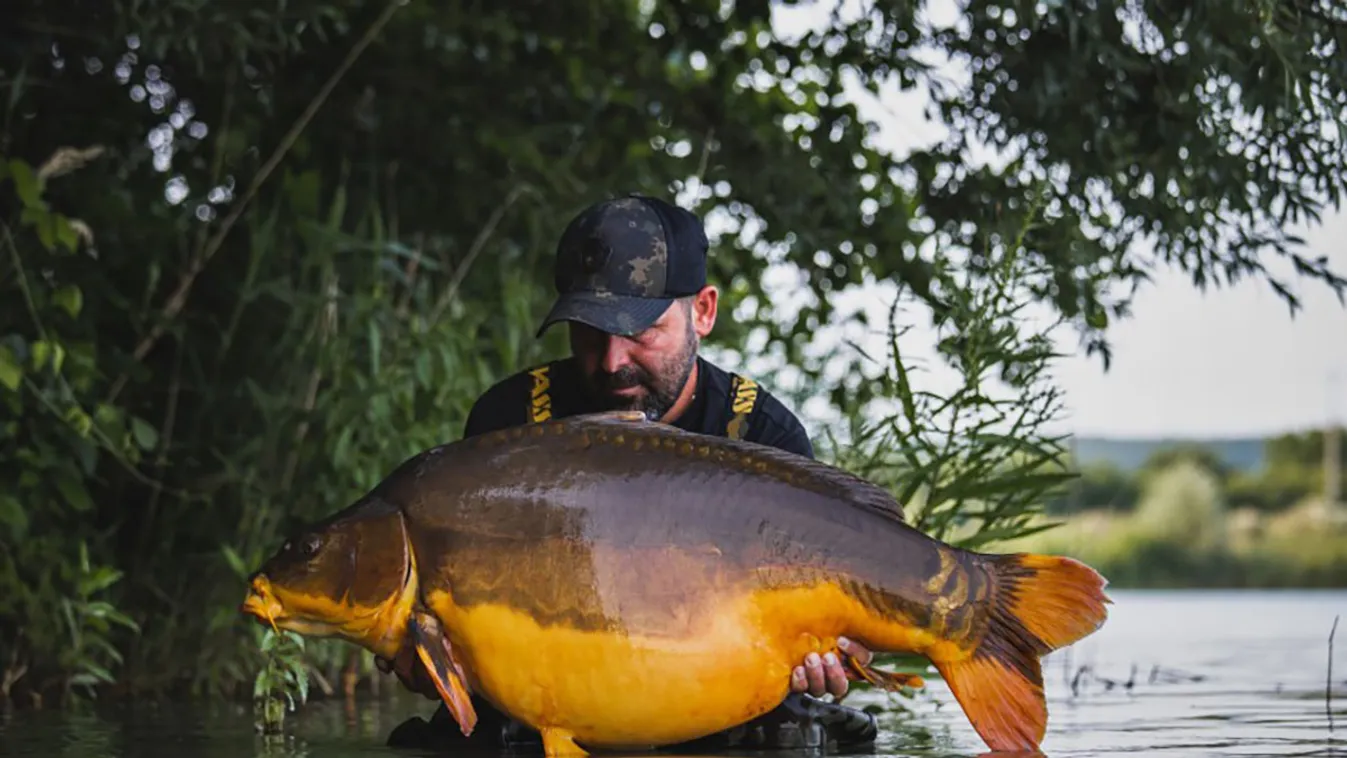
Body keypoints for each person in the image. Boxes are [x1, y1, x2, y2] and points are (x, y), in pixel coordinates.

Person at [385, 193, 880, 753]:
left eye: (640, 330)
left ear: (703, 311)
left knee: (797, 735)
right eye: (590, 333)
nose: (613, 360)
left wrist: (836, 655)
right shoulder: (511, 423)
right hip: (547, 696)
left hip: (707, 694)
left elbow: (838, 625)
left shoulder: (761, 434)